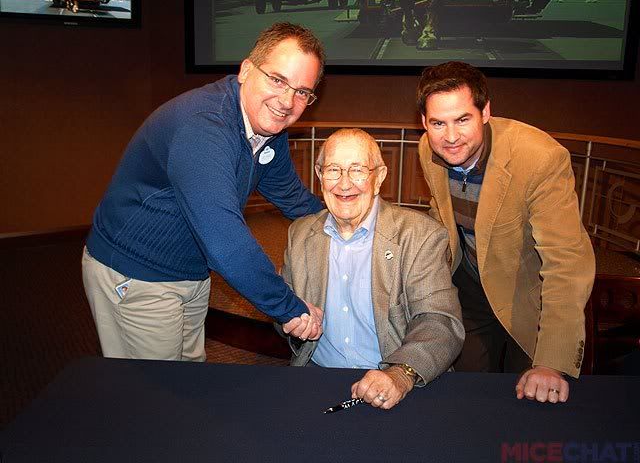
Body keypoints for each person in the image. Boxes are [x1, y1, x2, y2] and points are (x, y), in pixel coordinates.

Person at [82, 23, 326, 362]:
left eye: (302, 92)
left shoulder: (269, 131)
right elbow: (226, 242)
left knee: (190, 374)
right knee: (153, 387)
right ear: (246, 70)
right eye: (277, 80)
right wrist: (290, 308)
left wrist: (351, 220)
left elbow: (291, 196)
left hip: (191, 270)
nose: (287, 101)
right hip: (138, 274)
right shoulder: (203, 128)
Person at [416, 61, 595, 404]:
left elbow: (567, 262)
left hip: (528, 297)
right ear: (424, 122)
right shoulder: (428, 147)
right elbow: (442, 217)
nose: (450, 137)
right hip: (469, 287)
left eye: (462, 120)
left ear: (485, 111)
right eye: (438, 123)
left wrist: (551, 364)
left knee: (528, 399)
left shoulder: (540, 158)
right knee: (463, 397)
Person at [279, 128, 465, 410]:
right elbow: (284, 315)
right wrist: (291, 319)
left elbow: (440, 322)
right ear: (319, 176)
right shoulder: (300, 234)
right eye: (333, 170)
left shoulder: (421, 235)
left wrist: (401, 373)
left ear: (378, 177)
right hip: (316, 375)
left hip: (396, 381)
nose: (344, 184)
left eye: (357, 170)